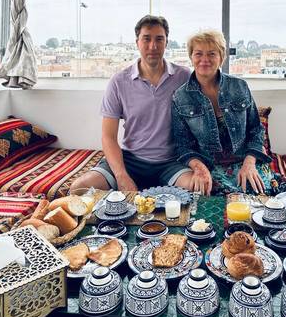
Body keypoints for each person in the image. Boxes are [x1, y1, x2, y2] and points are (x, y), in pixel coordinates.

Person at [70, 15, 199, 193]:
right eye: (146, 39)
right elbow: (108, 137)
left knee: (198, 188)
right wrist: (121, 176)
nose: (153, 46)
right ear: (137, 42)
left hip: (171, 161)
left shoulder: (183, 76)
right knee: (79, 188)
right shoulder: (119, 81)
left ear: (166, 43)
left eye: (159, 39)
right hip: (130, 160)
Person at [171, 30, 273, 195]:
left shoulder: (239, 86)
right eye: (198, 54)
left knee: (268, 200)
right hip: (210, 167)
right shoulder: (180, 97)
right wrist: (199, 168)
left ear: (222, 57)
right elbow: (182, 145)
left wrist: (250, 162)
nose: (205, 59)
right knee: (213, 206)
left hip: (246, 161)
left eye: (212, 53)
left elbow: (256, 130)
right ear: (191, 57)